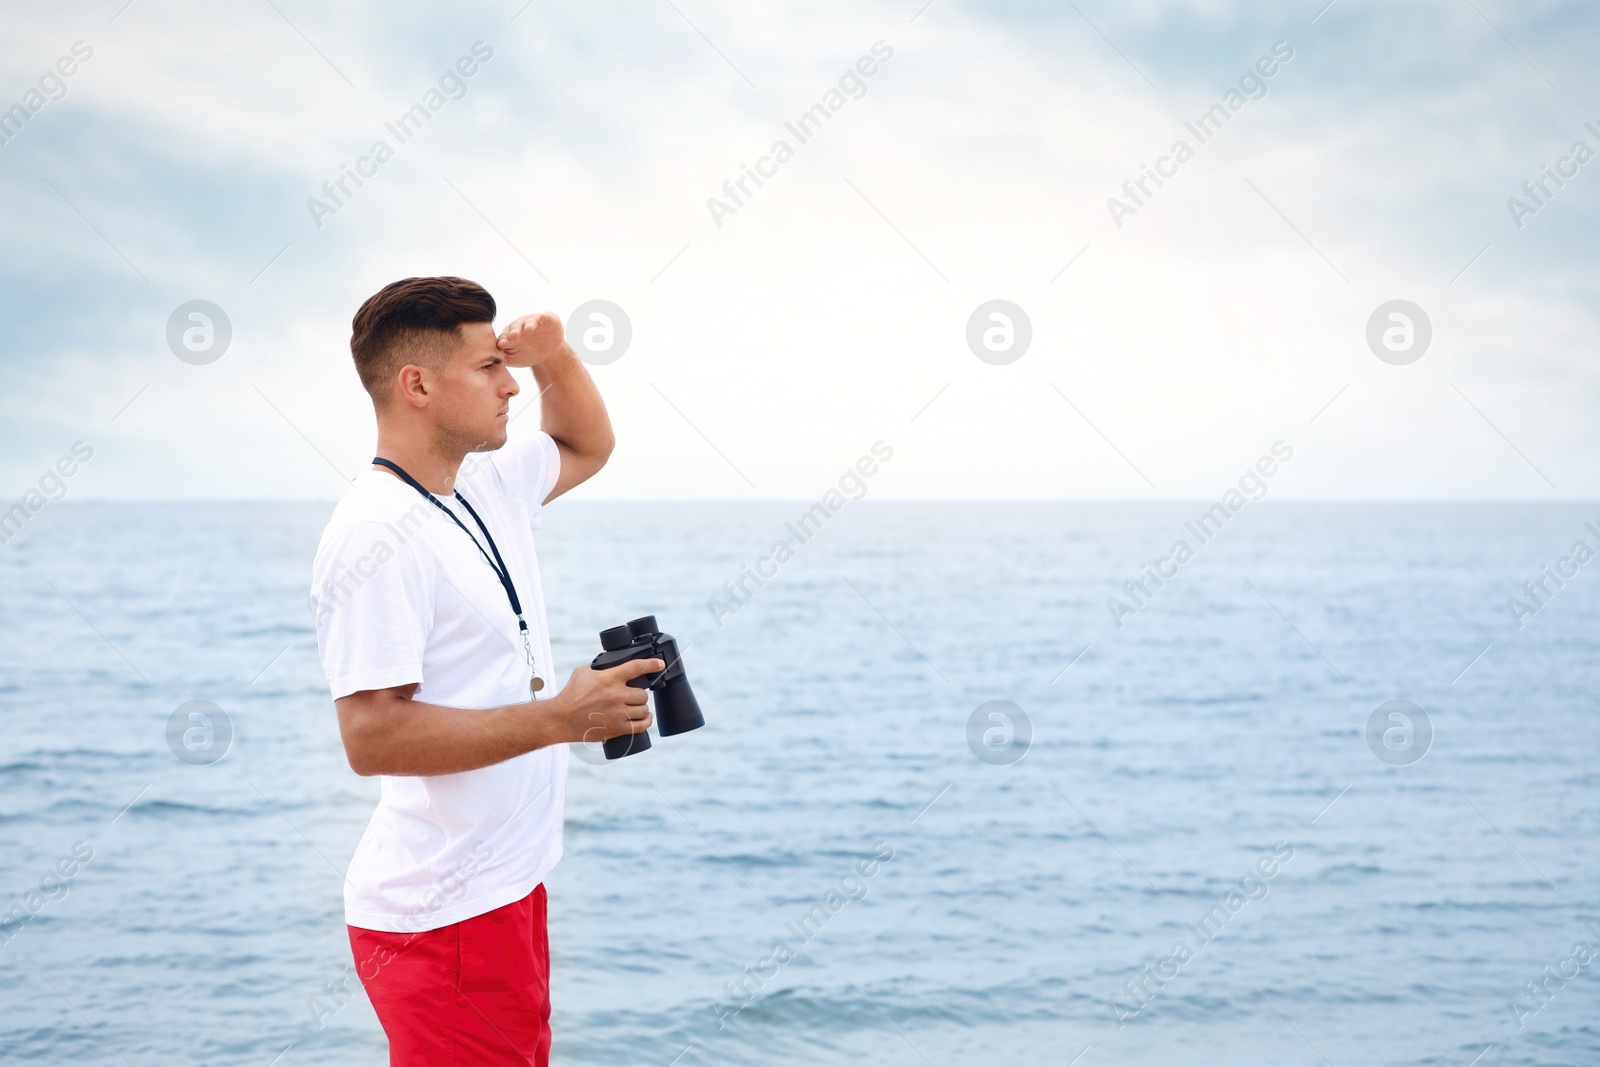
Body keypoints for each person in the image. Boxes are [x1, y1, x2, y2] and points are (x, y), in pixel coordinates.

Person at [309, 276, 660, 1065]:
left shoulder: (480, 484)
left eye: (509, 364)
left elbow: (586, 445)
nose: (512, 386)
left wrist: (557, 358)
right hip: (442, 918)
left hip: (504, 889)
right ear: (419, 385)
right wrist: (560, 720)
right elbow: (370, 736)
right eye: (489, 367)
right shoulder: (374, 533)